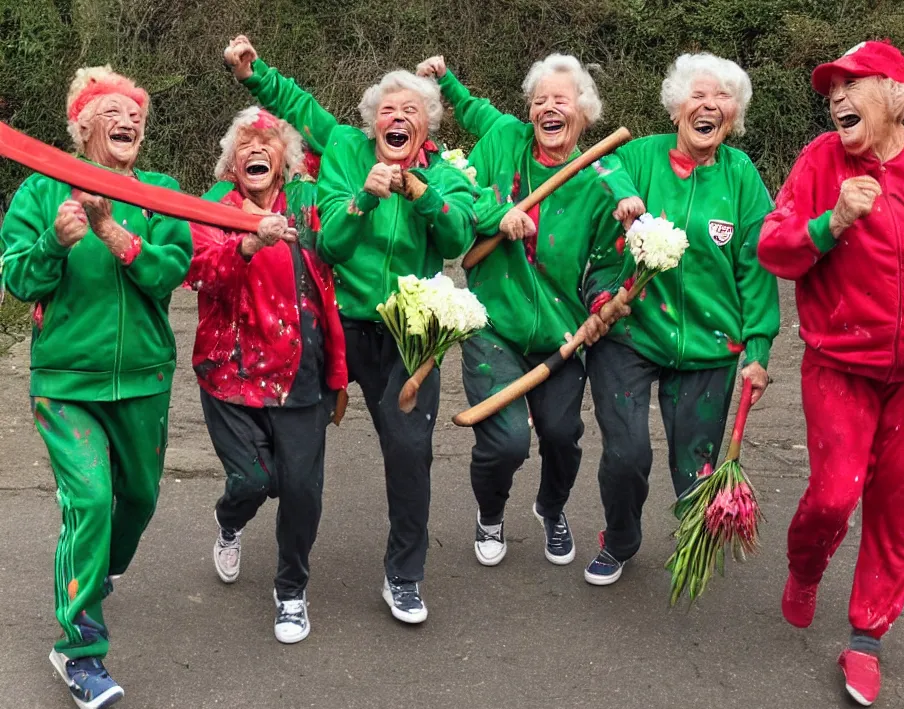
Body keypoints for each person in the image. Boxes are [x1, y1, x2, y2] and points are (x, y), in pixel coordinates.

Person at [224, 36, 478, 624]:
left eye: (412, 111)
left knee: (411, 454)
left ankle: (405, 577)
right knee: (301, 465)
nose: (398, 118)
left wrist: (421, 192)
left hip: (408, 334)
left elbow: (457, 240)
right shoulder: (343, 148)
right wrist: (254, 72)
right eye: (388, 110)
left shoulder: (446, 173)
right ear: (370, 121)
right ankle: (291, 588)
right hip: (332, 326)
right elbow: (333, 240)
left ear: (429, 125)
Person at [757, 40, 904, 707]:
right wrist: (832, 221)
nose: (837, 98)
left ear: (898, 95)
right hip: (841, 363)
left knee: (902, 503)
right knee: (833, 497)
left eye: (853, 84)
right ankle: (806, 565)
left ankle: (867, 637)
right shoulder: (822, 161)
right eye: (831, 90)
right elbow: (773, 248)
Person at [0, 66, 192, 709]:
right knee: (91, 499)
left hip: (143, 380)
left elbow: (173, 270)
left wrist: (116, 234)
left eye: (135, 112)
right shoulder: (37, 194)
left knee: (134, 501)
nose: (128, 119)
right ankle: (79, 649)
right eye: (111, 110)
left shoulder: (161, 192)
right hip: (66, 384)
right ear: (83, 126)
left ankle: (97, 566)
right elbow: (20, 282)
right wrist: (56, 242)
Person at [416, 53, 642, 569]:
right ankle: (490, 512)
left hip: (561, 334)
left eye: (560, 100)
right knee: (507, 442)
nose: (547, 108)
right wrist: (503, 214)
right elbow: (468, 195)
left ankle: (551, 507)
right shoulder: (503, 139)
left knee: (563, 437)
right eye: (539, 100)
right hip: (492, 322)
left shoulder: (600, 175)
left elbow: (607, 264)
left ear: (583, 112)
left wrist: (605, 302)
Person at [582, 52, 780, 586]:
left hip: (711, 347)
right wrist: (622, 190)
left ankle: (691, 533)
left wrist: (758, 348)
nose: (709, 105)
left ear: (733, 118)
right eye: (698, 95)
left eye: (722, 100)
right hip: (629, 333)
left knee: (695, 467)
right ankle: (620, 539)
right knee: (625, 454)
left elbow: (756, 268)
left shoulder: (741, 178)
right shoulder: (641, 156)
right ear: (676, 108)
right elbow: (601, 162)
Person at [187, 106, 348, 643]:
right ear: (232, 163)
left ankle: (291, 591)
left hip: (301, 371)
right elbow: (199, 274)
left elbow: (343, 233)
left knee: (301, 490)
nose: (255, 149)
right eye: (245, 143)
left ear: (287, 160)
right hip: (229, 374)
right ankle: (230, 520)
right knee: (255, 481)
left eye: (268, 141)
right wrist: (249, 243)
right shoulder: (213, 207)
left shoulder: (308, 204)